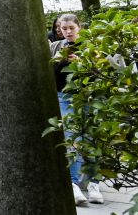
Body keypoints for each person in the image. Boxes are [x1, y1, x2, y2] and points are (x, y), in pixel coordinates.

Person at [51, 14, 103, 206]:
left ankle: (93, 184)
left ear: (79, 27)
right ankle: (73, 185)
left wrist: (84, 62)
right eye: (64, 29)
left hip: (88, 96)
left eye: (71, 28)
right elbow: (52, 77)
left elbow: (101, 73)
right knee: (72, 139)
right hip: (64, 96)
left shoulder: (91, 46)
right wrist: (61, 62)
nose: (68, 32)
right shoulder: (56, 47)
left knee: (91, 138)